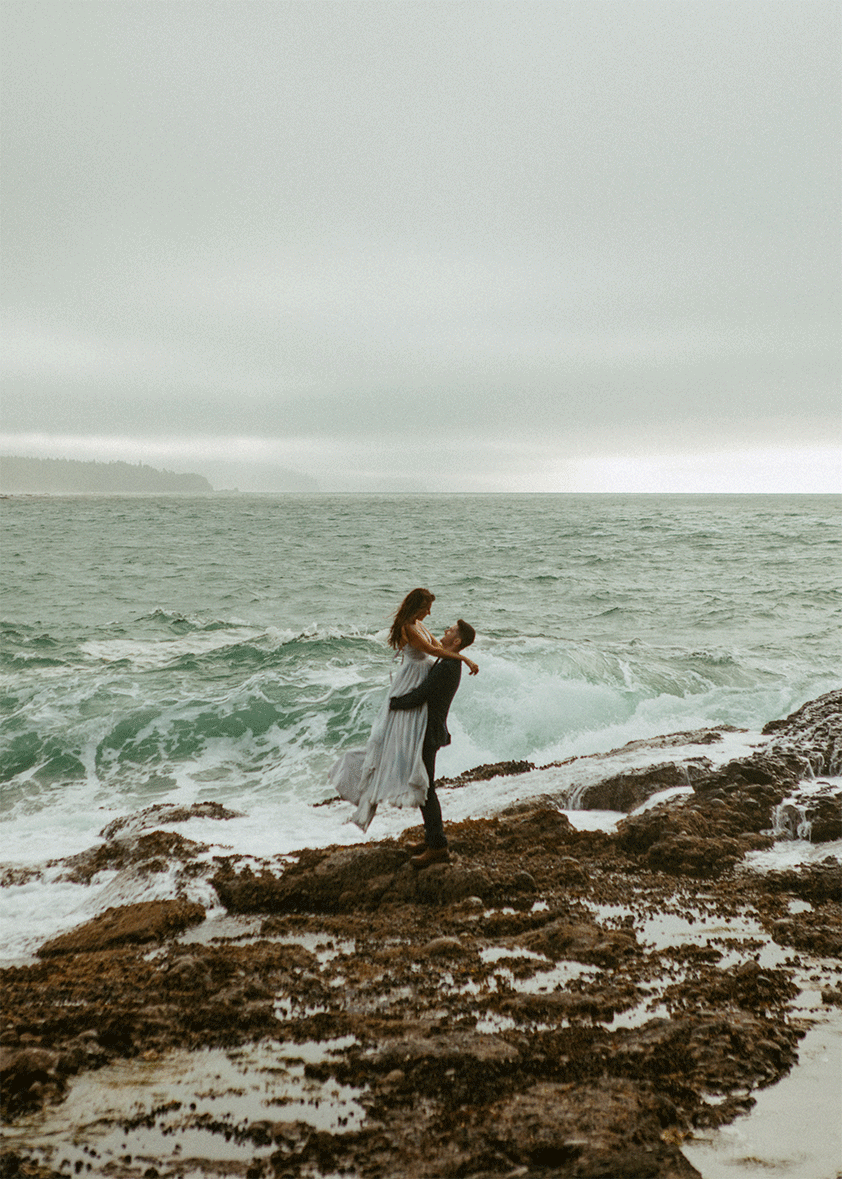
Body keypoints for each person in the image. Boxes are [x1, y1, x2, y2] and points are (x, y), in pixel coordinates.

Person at [328, 589, 478, 833]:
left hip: (421, 698)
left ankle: (435, 839)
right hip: (411, 683)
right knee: (388, 746)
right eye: (426, 608)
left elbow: (436, 651)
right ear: (417, 607)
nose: (429, 613)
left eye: (450, 630)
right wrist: (465, 659)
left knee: (414, 772)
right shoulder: (411, 630)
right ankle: (432, 837)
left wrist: (461, 657)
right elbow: (435, 651)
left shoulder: (431, 643)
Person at [389, 618, 476, 868]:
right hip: (430, 729)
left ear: (456, 641)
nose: (446, 630)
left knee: (427, 789)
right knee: (426, 786)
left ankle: (438, 846)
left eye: (451, 630)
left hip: (430, 732)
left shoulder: (448, 666)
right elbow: (429, 643)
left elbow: (422, 694)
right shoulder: (448, 660)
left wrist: (394, 703)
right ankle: (432, 839)